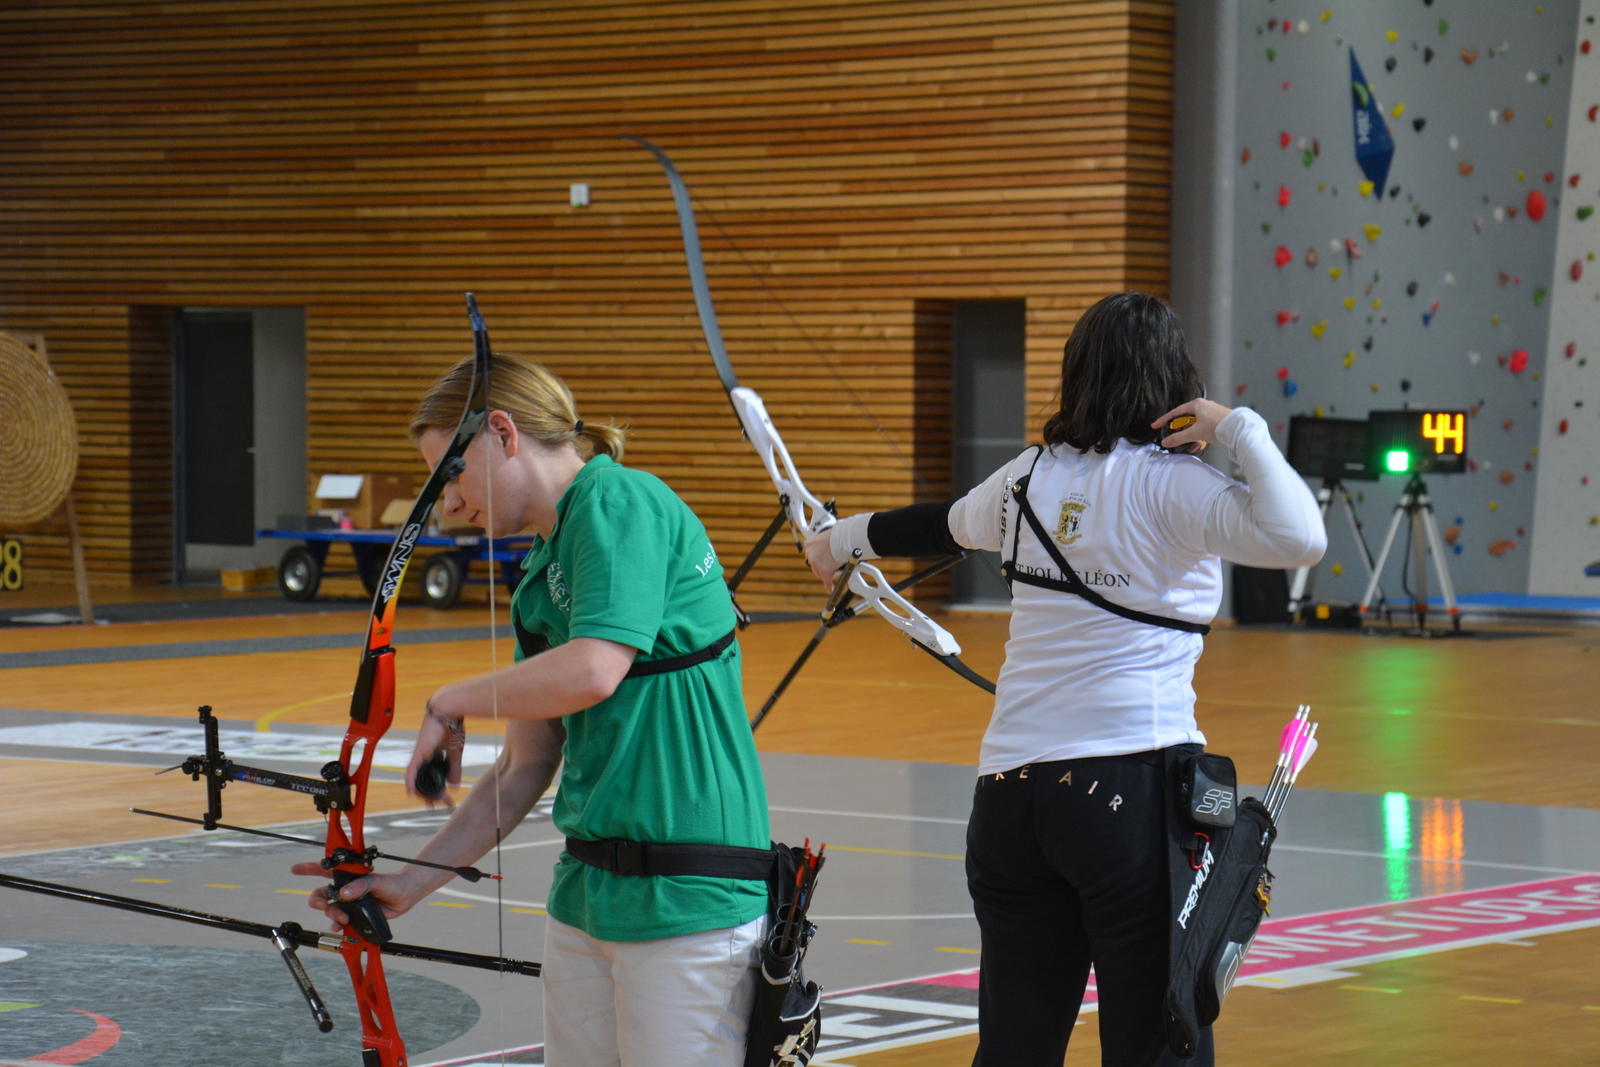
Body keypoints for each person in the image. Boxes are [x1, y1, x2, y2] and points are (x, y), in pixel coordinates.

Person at [804, 292, 1326, 1066]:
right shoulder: (1173, 486)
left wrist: (835, 541)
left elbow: (939, 522)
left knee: (1015, 1047)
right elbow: (1301, 536)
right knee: (1158, 1044)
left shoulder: (1026, 479)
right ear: (1173, 380)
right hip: (1130, 797)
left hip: (1011, 801)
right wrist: (1237, 426)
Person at [295, 354, 771, 1067]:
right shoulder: (540, 577)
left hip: (690, 898)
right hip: (586, 897)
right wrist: (409, 883)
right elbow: (524, 767)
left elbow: (595, 669)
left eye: (451, 475)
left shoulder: (620, 500)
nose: (449, 505)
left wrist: (451, 701)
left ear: (503, 432)